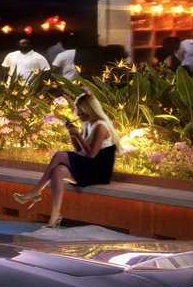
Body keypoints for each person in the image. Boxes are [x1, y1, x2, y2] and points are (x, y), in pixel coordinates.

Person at [14, 92, 116, 227]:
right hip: (89, 166)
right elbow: (79, 151)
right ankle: (54, 216)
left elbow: (92, 154)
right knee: (58, 171)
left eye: (80, 111)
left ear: (89, 110)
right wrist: (72, 134)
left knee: (60, 155)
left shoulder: (101, 126)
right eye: (77, 110)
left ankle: (36, 191)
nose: (78, 114)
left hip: (99, 169)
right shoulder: (88, 125)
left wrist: (78, 135)